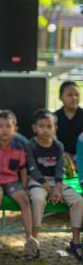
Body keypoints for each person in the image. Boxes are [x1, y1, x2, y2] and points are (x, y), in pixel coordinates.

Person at [0, 110, 38, 259]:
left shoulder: (18, 148)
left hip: (11, 181)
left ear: (15, 129)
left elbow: (22, 168)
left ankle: (29, 237)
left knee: (24, 199)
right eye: (1, 126)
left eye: (8, 126)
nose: (4, 129)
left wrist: (23, 186)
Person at [27, 109, 83, 260]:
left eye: (49, 126)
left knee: (78, 200)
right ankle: (33, 242)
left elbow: (60, 169)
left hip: (57, 182)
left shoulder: (58, 145)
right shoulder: (30, 145)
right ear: (34, 128)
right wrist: (50, 190)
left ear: (55, 128)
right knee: (38, 200)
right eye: (41, 126)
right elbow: (33, 170)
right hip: (38, 181)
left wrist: (57, 188)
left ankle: (75, 243)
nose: (45, 130)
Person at [56, 81, 83, 172]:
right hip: (62, 157)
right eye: (70, 95)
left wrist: (78, 155)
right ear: (61, 97)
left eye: (77, 95)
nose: (74, 98)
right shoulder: (53, 118)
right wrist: (62, 153)